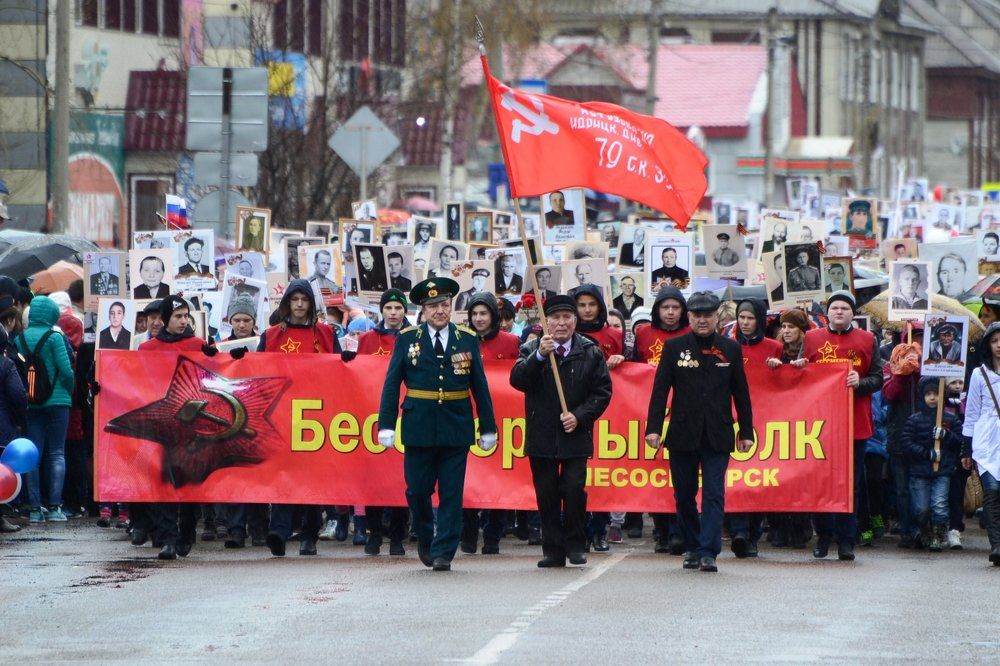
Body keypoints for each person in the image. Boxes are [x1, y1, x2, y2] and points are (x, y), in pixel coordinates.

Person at [377, 278, 497, 572]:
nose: (439, 311)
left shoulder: (466, 338)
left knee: (452, 493)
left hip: (456, 426)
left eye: (444, 304)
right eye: (433, 306)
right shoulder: (408, 338)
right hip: (418, 425)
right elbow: (392, 384)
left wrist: (488, 427)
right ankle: (425, 536)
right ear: (423, 309)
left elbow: (479, 386)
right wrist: (386, 424)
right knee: (417, 490)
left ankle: (444, 550)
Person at [645, 292, 754, 573]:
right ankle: (692, 547)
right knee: (684, 495)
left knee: (714, 494)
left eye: (708, 315)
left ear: (717, 317)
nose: (702, 320)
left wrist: (746, 431)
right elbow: (660, 391)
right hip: (682, 433)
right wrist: (653, 428)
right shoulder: (674, 347)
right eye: (697, 315)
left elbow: (741, 393)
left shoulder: (730, 348)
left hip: (718, 433)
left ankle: (708, 551)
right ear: (689, 317)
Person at [510, 294, 612, 567]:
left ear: (575, 321)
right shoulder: (531, 348)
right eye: (555, 318)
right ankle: (552, 550)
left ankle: (576, 544)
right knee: (547, 493)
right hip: (541, 434)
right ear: (546, 322)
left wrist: (579, 416)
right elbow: (518, 380)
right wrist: (539, 357)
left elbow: (602, 392)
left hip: (575, 435)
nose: (561, 323)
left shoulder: (589, 351)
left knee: (574, 489)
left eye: (567, 317)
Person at [257, 279, 341, 557]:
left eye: (304, 299)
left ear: (311, 304)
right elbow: (256, 371)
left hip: (316, 415)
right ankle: (279, 531)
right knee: (283, 472)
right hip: (280, 415)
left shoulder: (326, 334)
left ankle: (309, 534)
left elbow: (341, 371)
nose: (300, 304)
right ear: (287, 303)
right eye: (294, 299)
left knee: (312, 476)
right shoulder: (271, 336)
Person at [804, 290, 883, 561]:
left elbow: (878, 378)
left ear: (853, 313)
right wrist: (798, 365)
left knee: (850, 483)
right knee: (820, 482)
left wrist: (860, 383)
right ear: (827, 312)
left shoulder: (867, 339)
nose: (839, 312)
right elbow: (801, 377)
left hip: (854, 423)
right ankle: (823, 535)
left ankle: (847, 540)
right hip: (819, 426)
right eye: (835, 308)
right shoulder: (811, 338)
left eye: (845, 308)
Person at [137, 296, 209, 559]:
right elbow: (134, 381)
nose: (183, 321)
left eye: (186, 316)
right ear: (166, 318)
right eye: (178, 316)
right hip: (162, 423)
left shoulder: (199, 345)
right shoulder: (148, 349)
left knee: (188, 481)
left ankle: (187, 531)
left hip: (192, 423)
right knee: (163, 480)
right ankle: (167, 537)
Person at [460, 292, 520, 555]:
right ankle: (468, 532)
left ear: (493, 316)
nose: (478, 318)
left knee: (500, 477)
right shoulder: (461, 339)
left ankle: (494, 535)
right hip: (467, 416)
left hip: (502, 418)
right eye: (474, 314)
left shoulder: (511, 342)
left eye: (483, 313)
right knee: (468, 477)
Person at [728, 299, 781, 558]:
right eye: (741, 317)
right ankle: (739, 532)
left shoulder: (775, 348)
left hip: (766, 420)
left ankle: (753, 534)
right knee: (736, 477)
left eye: (750, 318)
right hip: (733, 419)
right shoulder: (727, 346)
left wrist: (780, 367)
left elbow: (791, 382)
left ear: (759, 320)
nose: (745, 323)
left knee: (759, 478)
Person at [17, 295, 75, 525]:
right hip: (58, 402)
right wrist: (67, 392)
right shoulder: (55, 338)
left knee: (34, 455)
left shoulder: (20, 338)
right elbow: (66, 371)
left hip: (32, 403)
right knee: (57, 453)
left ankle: (34, 509)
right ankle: (54, 507)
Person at [902, 377, 968, 552]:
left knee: (939, 505)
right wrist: (926, 453)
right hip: (920, 471)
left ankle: (938, 535)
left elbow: (960, 442)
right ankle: (923, 531)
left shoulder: (950, 419)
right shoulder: (914, 420)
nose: (932, 397)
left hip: (942, 470)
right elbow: (907, 443)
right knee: (921, 507)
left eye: (935, 394)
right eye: (928, 394)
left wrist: (947, 435)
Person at [961, 321, 1000, 566]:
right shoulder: (979, 374)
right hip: (987, 441)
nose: (999, 345)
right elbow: (972, 413)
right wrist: (966, 448)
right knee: (992, 491)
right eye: (995, 341)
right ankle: (997, 545)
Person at [570, 284, 624, 370]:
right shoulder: (567, 335)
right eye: (582, 305)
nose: (587, 310)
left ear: (600, 306)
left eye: (592, 304)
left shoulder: (616, 335)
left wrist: (622, 358)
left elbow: (632, 367)